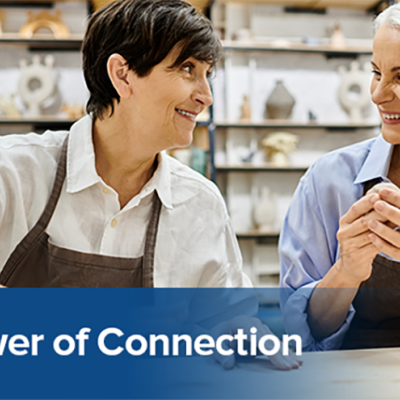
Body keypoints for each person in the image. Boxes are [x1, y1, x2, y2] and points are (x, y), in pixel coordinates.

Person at [0, 0, 302, 370]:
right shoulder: (13, 173)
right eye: (188, 69)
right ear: (122, 75)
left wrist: (232, 328)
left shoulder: (200, 203)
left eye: (208, 74)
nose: (206, 95)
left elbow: (224, 317)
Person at [280, 3, 400, 351]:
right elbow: (305, 336)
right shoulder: (327, 181)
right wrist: (346, 270)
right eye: (377, 72)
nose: (377, 94)